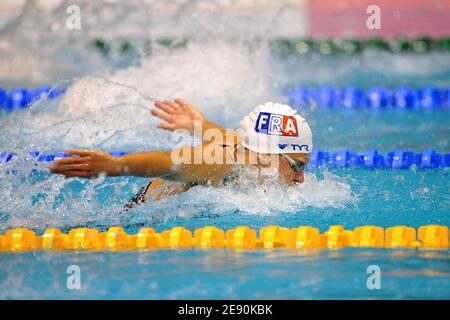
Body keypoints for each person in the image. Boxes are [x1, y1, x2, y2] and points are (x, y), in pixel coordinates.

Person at [50, 99, 313, 206]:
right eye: (297, 166)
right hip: (135, 222)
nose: (301, 178)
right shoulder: (221, 163)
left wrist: (196, 124)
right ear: (267, 152)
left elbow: (222, 134)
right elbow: (171, 162)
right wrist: (114, 166)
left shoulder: (246, 150)